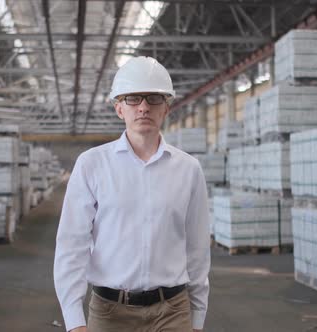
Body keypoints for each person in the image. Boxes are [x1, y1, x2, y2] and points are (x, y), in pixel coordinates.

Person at [54, 56, 211, 332]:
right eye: (133, 99)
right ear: (118, 108)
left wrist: (197, 316)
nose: (143, 108)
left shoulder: (188, 169)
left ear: (166, 108)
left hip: (173, 312)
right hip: (110, 312)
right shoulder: (92, 165)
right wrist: (73, 319)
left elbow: (197, 249)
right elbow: (72, 244)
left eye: (153, 99)